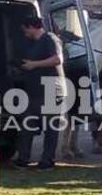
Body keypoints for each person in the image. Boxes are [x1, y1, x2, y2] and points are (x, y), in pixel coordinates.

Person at [15, 15, 67, 170]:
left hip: (51, 88)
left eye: (25, 30)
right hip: (35, 90)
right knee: (27, 125)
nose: (25, 34)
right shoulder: (33, 43)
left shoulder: (50, 39)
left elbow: (58, 59)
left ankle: (47, 161)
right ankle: (23, 159)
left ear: (32, 27)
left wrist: (34, 65)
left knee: (50, 128)